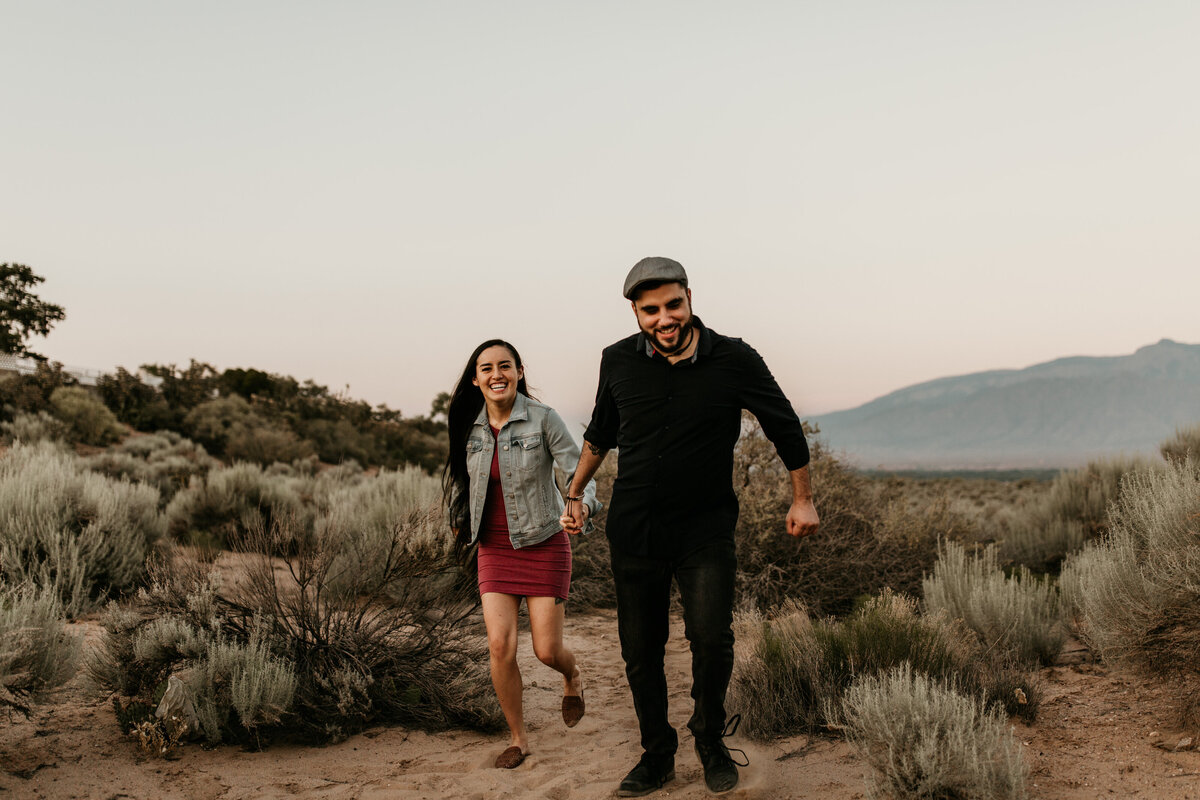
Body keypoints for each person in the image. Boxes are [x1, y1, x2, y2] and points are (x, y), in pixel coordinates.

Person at [560, 257, 819, 796]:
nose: (664, 318)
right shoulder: (616, 360)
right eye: (649, 310)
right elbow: (600, 432)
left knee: (710, 637)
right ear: (636, 312)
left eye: (672, 305)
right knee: (640, 648)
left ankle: (709, 741)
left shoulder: (734, 358)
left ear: (689, 297)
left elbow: (784, 425)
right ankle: (656, 755)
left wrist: (803, 499)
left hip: (705, 527)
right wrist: (575, 491)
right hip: (634, 528)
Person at [444, 339, 600, 770]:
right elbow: (464, 480)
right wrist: (460, 517)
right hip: (493, 548)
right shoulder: (468, 426)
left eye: (505, 366)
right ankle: (518, 737)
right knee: (500, 646)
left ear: (518, 371)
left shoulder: (543, 419)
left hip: (543, 542)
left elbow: (578, 472)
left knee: (547, 651)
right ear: (475, 379)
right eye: (487, 368)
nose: (497, 374)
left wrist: (581, 507)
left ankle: (572, 676)